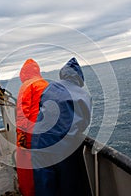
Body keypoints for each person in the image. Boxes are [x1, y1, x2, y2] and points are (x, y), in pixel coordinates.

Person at [31, 57, 92, 196]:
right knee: (67, 185)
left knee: (44, 185)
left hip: (39, 141)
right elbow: (84, 122)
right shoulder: (83, 95)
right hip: (62, 146)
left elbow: (42, 106)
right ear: (79, 77)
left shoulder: (50, 87)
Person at [16, 59, 49, 196]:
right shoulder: (46, 84)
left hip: (32, 134)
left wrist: (21, 138)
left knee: (27, 169)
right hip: (47, 134)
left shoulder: (26, 86)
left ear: (23, 73)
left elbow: (22, 114)